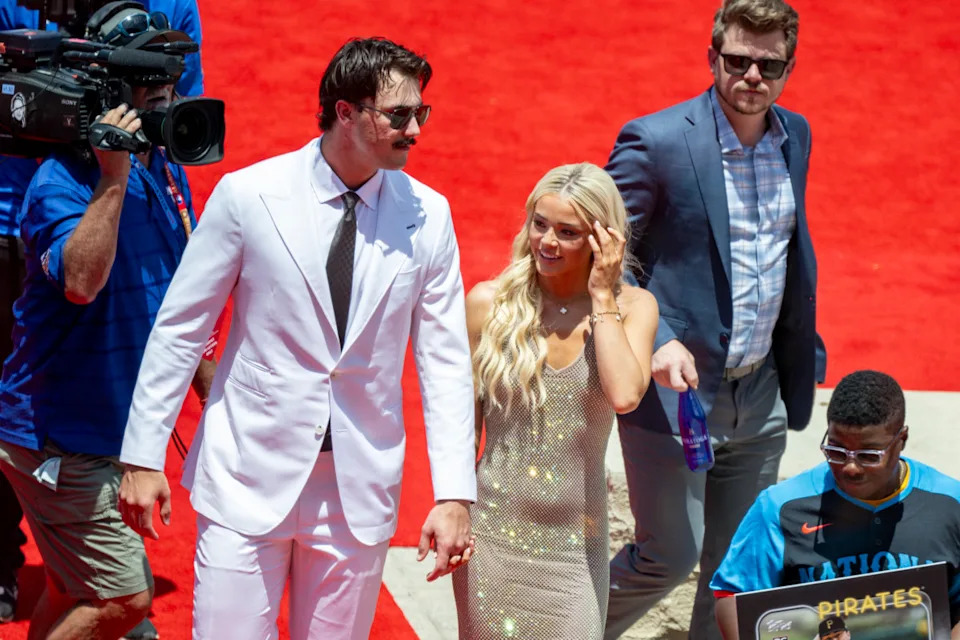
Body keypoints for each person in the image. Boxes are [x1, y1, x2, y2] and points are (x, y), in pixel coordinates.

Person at [116, 37, 477, 640]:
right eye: (399, 114)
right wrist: (141, 455)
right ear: (344, 112)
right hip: (246, 472)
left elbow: (444, 362)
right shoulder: (250, 195)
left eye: (422, 113)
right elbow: (182, 327)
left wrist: (454, 494)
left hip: (357, 488)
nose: (416, 127)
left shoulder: (429, 215)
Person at [603, 0, 826, 637]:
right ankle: (551, 628)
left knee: (735, 575)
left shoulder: (796, 136)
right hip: (675, 394)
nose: (752, 76)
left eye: (769, 65)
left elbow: (781, 248)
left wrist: (802, 347)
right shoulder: (657, 141)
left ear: (788, 67)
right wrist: (660, 341)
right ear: (712, 59)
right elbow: (607, 261)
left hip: (760, 392)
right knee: (668, 557)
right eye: (738, 61)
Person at [0, 9, 213, 638]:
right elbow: (81, 281)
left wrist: (213, 388)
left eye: (171, 93)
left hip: (109, 434)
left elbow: (182, 297)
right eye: (151, 97)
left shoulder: (165, 171)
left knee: (71, 585)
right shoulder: (61, 183)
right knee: (125, 599)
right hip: (56, 440)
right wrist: (111, 177)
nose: (166, 110)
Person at [451, 163, 658, 639]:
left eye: (568, 232)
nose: (547, 241)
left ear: (602, 240)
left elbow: (625, 395)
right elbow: (463, 427)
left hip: (575, 549)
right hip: (492, 538)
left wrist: (602, 294)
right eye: (539, 223)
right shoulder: (489, 304)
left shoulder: (632, 308)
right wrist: (454, 508)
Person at [711, 370, 960, 639]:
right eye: (836, 451)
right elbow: (732, 597)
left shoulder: (949, 504)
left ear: (901, 441)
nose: (850, 467)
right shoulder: (781, 508)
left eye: (868, 455)